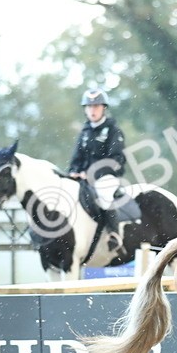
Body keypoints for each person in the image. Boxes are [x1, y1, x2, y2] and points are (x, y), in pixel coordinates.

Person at [67, 87, 137, 254]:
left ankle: (114, 234)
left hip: (106, 177)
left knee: (104, 195)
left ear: (103, 108)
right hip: (84, 177)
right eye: (89, 107)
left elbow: (116, 159)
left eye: (96, 106)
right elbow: (76, 158)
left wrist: (92, 174)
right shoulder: (84, 132)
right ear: (85, 109)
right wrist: (73, 171)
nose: (93, 110)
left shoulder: (113, 130)